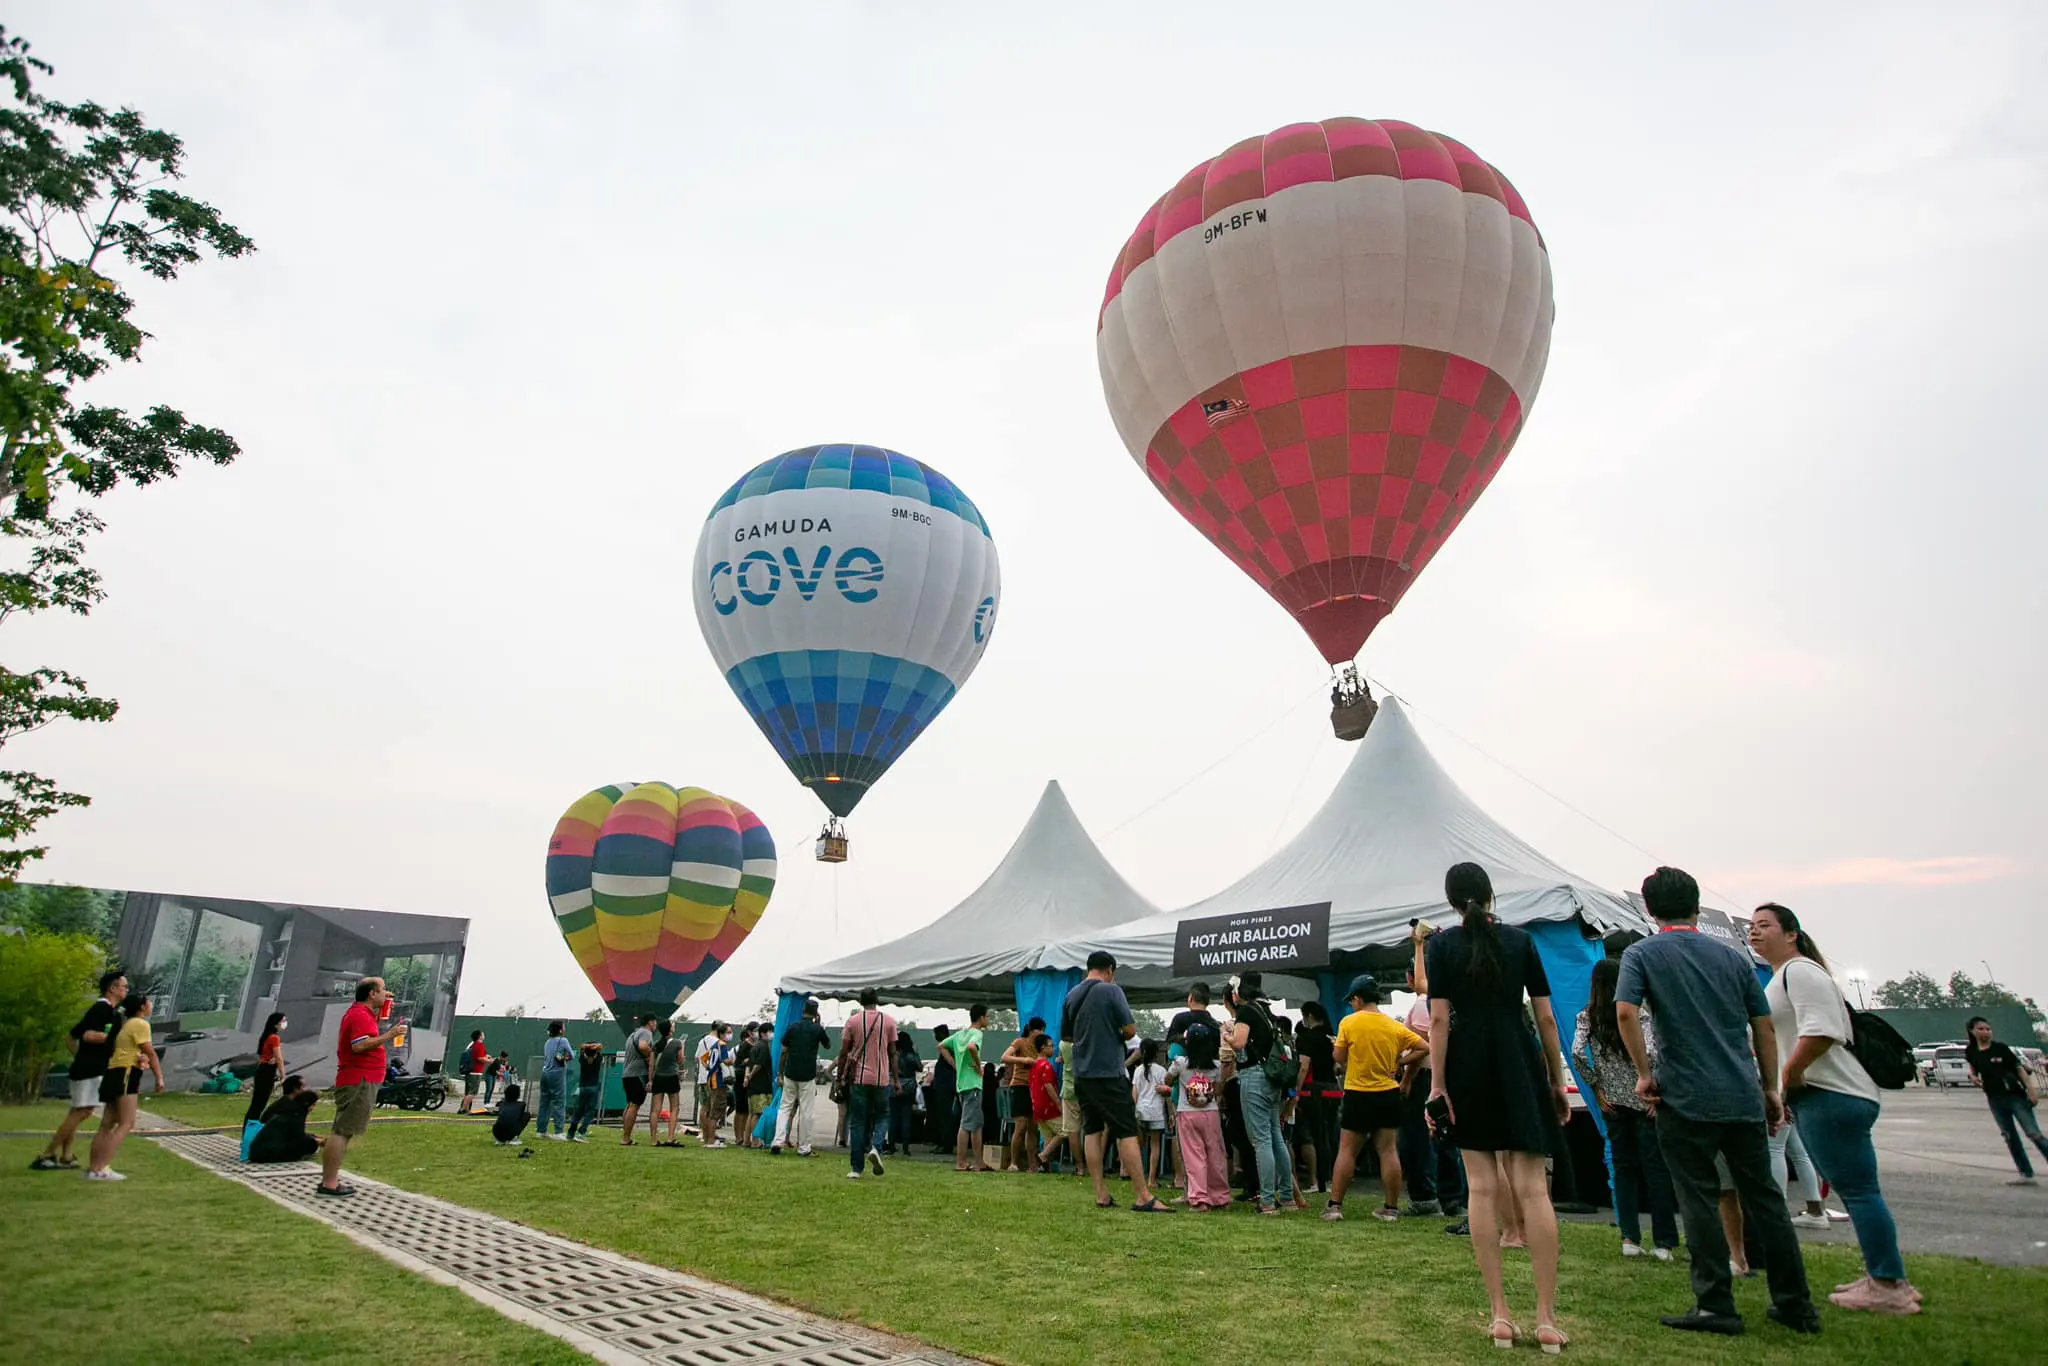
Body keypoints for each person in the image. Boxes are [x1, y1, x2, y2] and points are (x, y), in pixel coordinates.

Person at [1618, 867, 1819, 1338]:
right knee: (1766, 1200)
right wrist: (1770, 1087)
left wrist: (1645, 1074)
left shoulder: (1642, 953)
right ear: (1695, 904)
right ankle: (1795, 1304)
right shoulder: (1732, 957)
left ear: (1648, 909)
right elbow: (1762, 1025)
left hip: (1683, 1096)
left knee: (1699, 1199)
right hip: (1741, 1090)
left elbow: (1626, 1011)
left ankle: (1716, 1304)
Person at [1427, 863, 1571, 1353]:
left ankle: (1500, 1315)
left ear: (1451, 900)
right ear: (1490, 896)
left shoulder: (1440, 946)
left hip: (1468, 1063)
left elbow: (1440, 1017)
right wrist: (1555, 1079)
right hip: (1518, 1057)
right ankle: (1547, 1318)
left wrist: (1438, 1084)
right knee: (1534, 1189)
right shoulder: (1521, 942)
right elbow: (1547, 1017)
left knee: (1482, 1187)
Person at [1749, 904, 1920, 1313]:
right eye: (1752, 926)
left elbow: (1821, 1031)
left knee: (1860, 1193)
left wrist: (1788, 1076)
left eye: (1764, 925)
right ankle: (1886, 1274)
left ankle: (1887, 1286)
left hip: (1831, 1095)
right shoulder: (1784, 976)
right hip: (1826, 1096)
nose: (1755, 932)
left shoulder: (1800, 972)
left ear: (1791, 934)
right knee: (1860, 1191)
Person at [1573, 957, 1679, 1260]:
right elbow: (1651, 1051)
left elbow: (1577, 1052)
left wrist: (1596, 1085)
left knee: (1623, 1169)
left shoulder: (1587, 1017)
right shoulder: (1639, 1015)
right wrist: (1651, 1083)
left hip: (1612, 1100)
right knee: (1655, 1170)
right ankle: (1664, 1241)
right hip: (1644, 1100)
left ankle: (1629, 1237)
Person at [1064, 951, 1174, 1213]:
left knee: (1091, 1130)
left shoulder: (1071, 995)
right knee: (1126, 1130)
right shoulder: (1111, 991)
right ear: (1110, 969)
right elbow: (1130, 1030)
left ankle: (1101, 1193)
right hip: (1108, 1073)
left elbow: (1067, 1037)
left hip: (1082, 1074)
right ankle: (1142, 1195)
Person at [1325, 974, 1427, 1224]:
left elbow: (1338, 1057)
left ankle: (1335, 1207)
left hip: (1358, 1093)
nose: (1351, 1004)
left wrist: (1341, 1049)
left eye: (1352, 1000)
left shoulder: (1349, 1023)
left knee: (1347, 1151)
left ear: (1358, 998)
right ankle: (1390, 1209)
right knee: (1388, 1151)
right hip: (1388, 1093)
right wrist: (1400, 1061)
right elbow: (1424, 1047)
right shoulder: (1392, 1025)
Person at [34, 970, 128, 1172]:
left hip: (86, 1067)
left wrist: (80, 1056)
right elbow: (84, 1036)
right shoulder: (102, 1010)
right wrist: (95, 1046)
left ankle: (66, 1155)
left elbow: (71, 1036)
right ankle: (47, 1154)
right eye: (123, 986)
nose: (126, 990)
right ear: (112, 988)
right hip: (91, 1070)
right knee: (83, 1111)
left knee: (77, 1111)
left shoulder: (105, 1010)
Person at [1399, 932, 1466, 1218]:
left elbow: (1421, 1048)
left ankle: (1426, 1198)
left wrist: (1406, 1079)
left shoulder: (1423, 1003)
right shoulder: (1458, 998)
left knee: (1418, 1140)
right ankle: (1453, 1199)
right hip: (1452, 1075)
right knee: (1448, 1140)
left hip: (1426, 1077)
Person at [321, 976, 403, 1198]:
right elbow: (359, 1045)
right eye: (383, 990)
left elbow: (366, 1036)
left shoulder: (363, 1014)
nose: (387, 994)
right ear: (371, 993)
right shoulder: (359, 1014)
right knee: (342, 1131)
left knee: (343, 1130)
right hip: (359, 1079)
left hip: (361, 1078)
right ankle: (329, 1184)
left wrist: (382, 1013)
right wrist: (390, 1035)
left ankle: (330, 1181)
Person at [1223, 971, 1295, 1216]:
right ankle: (1286, 1197)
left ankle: (1266, 1200)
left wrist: (1227, 1035)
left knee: (1261, 1140)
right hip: (1272, 1079)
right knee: (1276, 1136)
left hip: (1254, 1077)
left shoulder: (1246, 1012)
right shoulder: (1267, 1011)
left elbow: (1240, 1043)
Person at [85, 994, 163, 1181]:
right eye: (149, 1001)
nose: (151, 1004)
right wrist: (159, 1078)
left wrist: (140, 1057)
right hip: (126, 1074)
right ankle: (102, 1168)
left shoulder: (126, 1024)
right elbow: (151, 1053)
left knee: (107, 1124)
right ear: (142, 1007)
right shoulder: (140, 1024)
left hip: (113, 1072)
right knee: (127, 1123)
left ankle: (94, 1169)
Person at [1962, 1014, 2048, 1184]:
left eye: (1988, 1029)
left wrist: (2031, 1091)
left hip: (2015, 1097)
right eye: (1981, 1029)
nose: (1986, 1032)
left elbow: (2019, 1069)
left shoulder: (2000, 1048)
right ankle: (2025, 1173)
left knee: (2034, 1134)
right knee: (2009, 1136)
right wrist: (1972, 1077)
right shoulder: (1971, 1051)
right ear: (1972, 1031)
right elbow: (1973, 1069)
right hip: (1995, 1099)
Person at [1168, 1013, 1227, 1209]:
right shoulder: (1216, 1066)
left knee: (1194, 1157)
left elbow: (1167, 1080)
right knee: (1215, 1155)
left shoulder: (1181, 1063)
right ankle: (1221, 1197)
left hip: (1187, 1112)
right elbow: (1218, 1090)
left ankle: (1200, 1198)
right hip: (1210, 1113)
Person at [837, 988, 895, 1179]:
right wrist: (895, 1077)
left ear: (860, 1001)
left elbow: (844, 1051)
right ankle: (877, 1147)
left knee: (858, 1121)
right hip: (882, 1078)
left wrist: (840, 1077)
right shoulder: (888, 1021)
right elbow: (892, 1052)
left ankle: (856, 1168)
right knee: (882, 1116)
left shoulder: (853, 1021)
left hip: (860, 1079)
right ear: (877, 1001)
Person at [1294, 1002, 1342, 1196]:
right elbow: (1339, 1066)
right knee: (1330, 1135)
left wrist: (1294, 1092)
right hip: (1333, 1089)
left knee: (1314, 1136)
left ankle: (1318, 1181)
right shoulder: (1332, 1037)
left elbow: (1304, 1066)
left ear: (1310, 1016)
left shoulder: (1307, 1038)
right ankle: (1330, 1178)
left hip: (1313, 1091)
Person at [773, 997, 831, 1156]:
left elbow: (784, 1051)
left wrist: (780, 1073)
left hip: (790, 1072)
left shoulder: (792, 1027)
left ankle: (777, 1141)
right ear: (815, 1013)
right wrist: (819, 1024)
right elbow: (827, 1045)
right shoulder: (817, 1029)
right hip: (808, 1074)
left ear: (802, 1010)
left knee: (784, 1108)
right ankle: (804, 1148)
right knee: (806, 1112)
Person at [945, 1003, 989, 1171]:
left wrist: (955, 1064)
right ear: (981, 1018)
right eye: (988, 1016)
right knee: (966, 1124)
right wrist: (978, 1065)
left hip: (962, 1084)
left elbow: (941, 1046)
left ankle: (979, 1162)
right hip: (973, 1084)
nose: (988, 1020)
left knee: (976, 1124)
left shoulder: (960, 1034)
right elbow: (972, 1047)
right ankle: (961, 1162)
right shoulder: (977, 1033)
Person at [1000, 1018, 1047, 1172]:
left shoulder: (1040, 1047)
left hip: (1034, 1088)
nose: (1041, 1033)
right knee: (1020, 1126)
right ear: (1032, 1030)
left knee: (1033, 1128)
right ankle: (1013, 1163)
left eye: (1043, 1030)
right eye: (1039, 1030)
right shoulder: (1020, 1042)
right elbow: (1005, 1057)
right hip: (1019, 1087)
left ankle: (1032, 1164)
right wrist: (1024, 1060)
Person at [250, 1078, 324, 1163]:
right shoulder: (296, 1114)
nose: (313, 1108)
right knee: (311, 1144)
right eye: (313, 1105)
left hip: (258, 1152)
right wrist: (315, 1141)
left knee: (311, 1138)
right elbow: (297, 1138)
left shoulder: (291, 1109)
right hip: (266, 1154)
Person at [1132, 1038, 1170, 1187]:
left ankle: (1139, 1175)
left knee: (1139, 1145)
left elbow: (1134, 1093)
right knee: (1155, 1146)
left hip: (1140, 1111)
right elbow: (1166, 1095)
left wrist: (1133, 1110)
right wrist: (1171, 1114)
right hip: (1156, 1113)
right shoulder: (1161, 1071)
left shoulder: (1137, 1070)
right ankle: (1152, 1179)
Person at [245, 1011, 287, 1126]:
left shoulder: (266, 1036)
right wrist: (283, 1075)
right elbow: (279, 1057)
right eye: (283, 1021)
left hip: (263, 1070)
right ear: (275, 1024)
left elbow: (267, 1055)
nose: (284, 1023)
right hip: (266, 1072)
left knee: (257, 1104)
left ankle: (249, 1129)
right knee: (259, 1104)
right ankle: (250, 1131)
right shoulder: (274, 1038)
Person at [620, 1014, 657, 1146]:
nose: (656, 1025)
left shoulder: (633, 1034)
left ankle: (625, 1136)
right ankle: (625, 1138)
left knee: (630, 1104)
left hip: (627, 1074)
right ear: (650, 1022)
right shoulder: (646, 1033)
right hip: (637, 1075)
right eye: (655, 1022)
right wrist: (650, 1057)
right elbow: (642, 1046)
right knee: (634, 1105)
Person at [1029, 1033, 1064, 1169]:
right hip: (1047, 1106)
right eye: (1050, 1046)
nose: (1053, 1049)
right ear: (1043, 1048)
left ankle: (1044, 1166)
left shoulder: (1034, 1064)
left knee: (1048, 1137)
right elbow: (1049, 1086)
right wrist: (1058, 1103)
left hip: (1037, 1106)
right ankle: (1043, 1156)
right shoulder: (1046, 1066)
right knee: (1064, 1131)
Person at [648, 1019, 685, 1145]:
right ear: (670, 1029)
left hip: (658, 1078)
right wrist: (682, 1047)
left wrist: (650, 1080)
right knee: (674, 1108)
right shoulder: (677, 1043)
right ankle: (670, 1138)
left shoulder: (656, 1045)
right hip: (672, 1077)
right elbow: (680, 1061)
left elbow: (651, 1064)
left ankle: (653, 1139)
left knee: (655, 1110)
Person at [538, 1019, 573, 1140]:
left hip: (545, 1073)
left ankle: (541, 1130)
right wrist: (565, 1057)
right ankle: (558, 1131)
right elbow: (571, 1055)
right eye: (563, 1027)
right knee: (559, 1102)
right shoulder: (563, 1040)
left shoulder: (547, 1042)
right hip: (557, 1073)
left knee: (544, 1103)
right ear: (560, 1029)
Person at [889, 1029, 921, 1155]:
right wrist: (916, 1054)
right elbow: (920, 1067)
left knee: (893, 1117)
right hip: (909, 1087)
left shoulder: (893, 1055)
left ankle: (891, 1144)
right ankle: (906, 1147)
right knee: (906, 1116)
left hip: (894, 1086)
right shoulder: (911, 1055)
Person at [744, 1023, 776, 1147]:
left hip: (753, 1085)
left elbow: (749, 1064)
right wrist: (751, 1075)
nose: (772, 1034)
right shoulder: (763, 1047)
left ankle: (747, 1140)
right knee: (758, 1114)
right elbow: (758, 1064)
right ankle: (755, 1141)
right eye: (770, 1032)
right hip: (761, 1085)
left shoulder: (755, 1047)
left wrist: (747, 1078)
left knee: (752, 1113)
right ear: (763, 1033)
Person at [928, 1022, 957, 1155]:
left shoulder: (947, 1048)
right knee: (944, 1116)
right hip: (944, 1085)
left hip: (945, 1087)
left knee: (944, 1116)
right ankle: (945, 1143)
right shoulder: (949, 1047)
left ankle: (945, 1144)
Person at [567, 1039, 604, 1142]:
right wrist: (595, 1047)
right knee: (589, 1112)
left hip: (583, 1087)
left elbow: (582, 1047)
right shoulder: (598, 1060)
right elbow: (600, 1046)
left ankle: (571, 1133)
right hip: (593, 1087)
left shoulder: (582, 1060)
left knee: (579, 1111)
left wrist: (587, 1047)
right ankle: (581, 1132)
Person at [460, 1029, 489, 1113]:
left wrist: (486, 1056)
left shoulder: (473, 1045)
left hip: (469, 1071)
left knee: (468, 1092)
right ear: (479, 1036)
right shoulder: (480, 1045)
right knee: (473, 1092)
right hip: (476, 1072)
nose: (484, 1035)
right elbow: (480, 1058)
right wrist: (489, 1061)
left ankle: (467, 1109)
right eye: (482, 1034)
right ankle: (463, 1109)